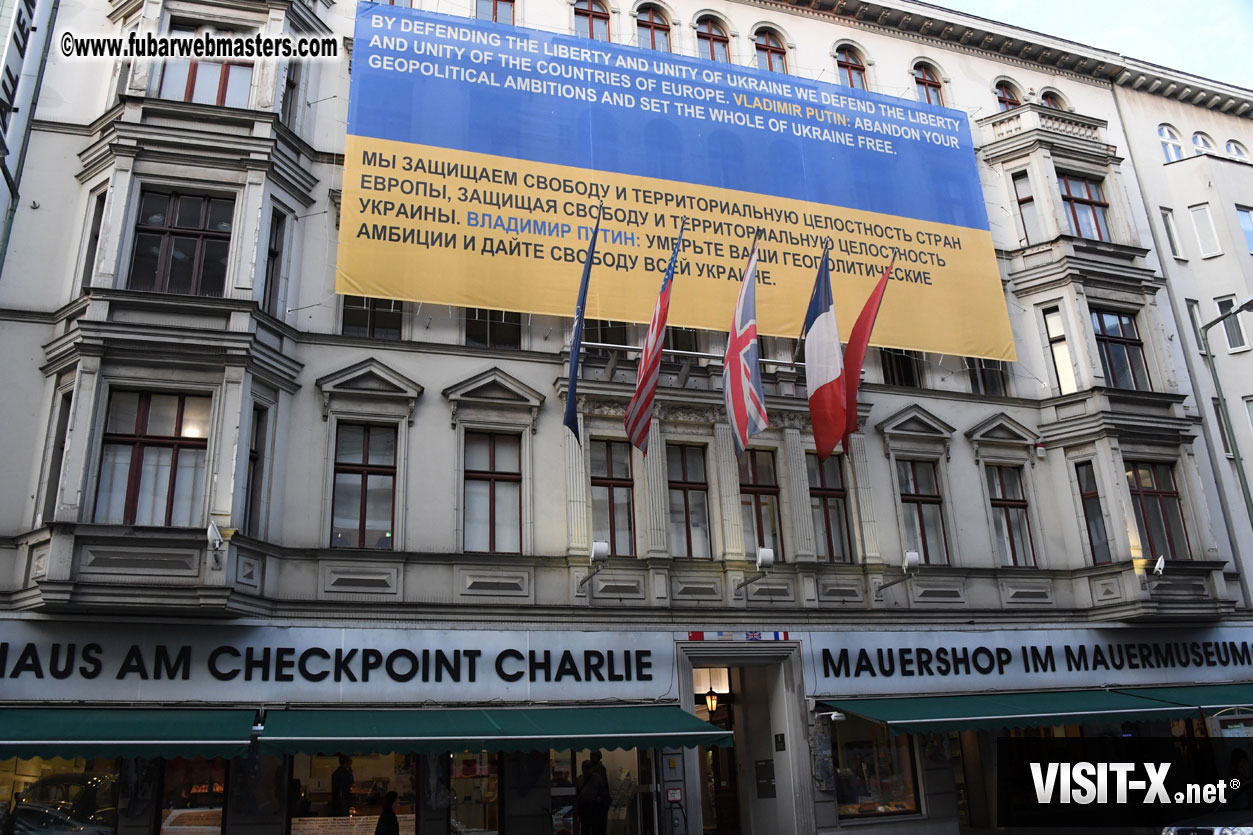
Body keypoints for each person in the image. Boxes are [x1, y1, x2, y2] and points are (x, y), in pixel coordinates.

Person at [576, 759, 607, 835]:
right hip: (589, 809)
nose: (586, 770)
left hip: (592, 809)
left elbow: (602, 793)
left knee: (588, 829)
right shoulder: (597, 778)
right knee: (591, 829)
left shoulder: (580, 779)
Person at [589, 751, 610, 835]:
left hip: (598, 802)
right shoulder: (600, 768)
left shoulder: (598, 770)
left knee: (597, 827)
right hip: (600, 802)